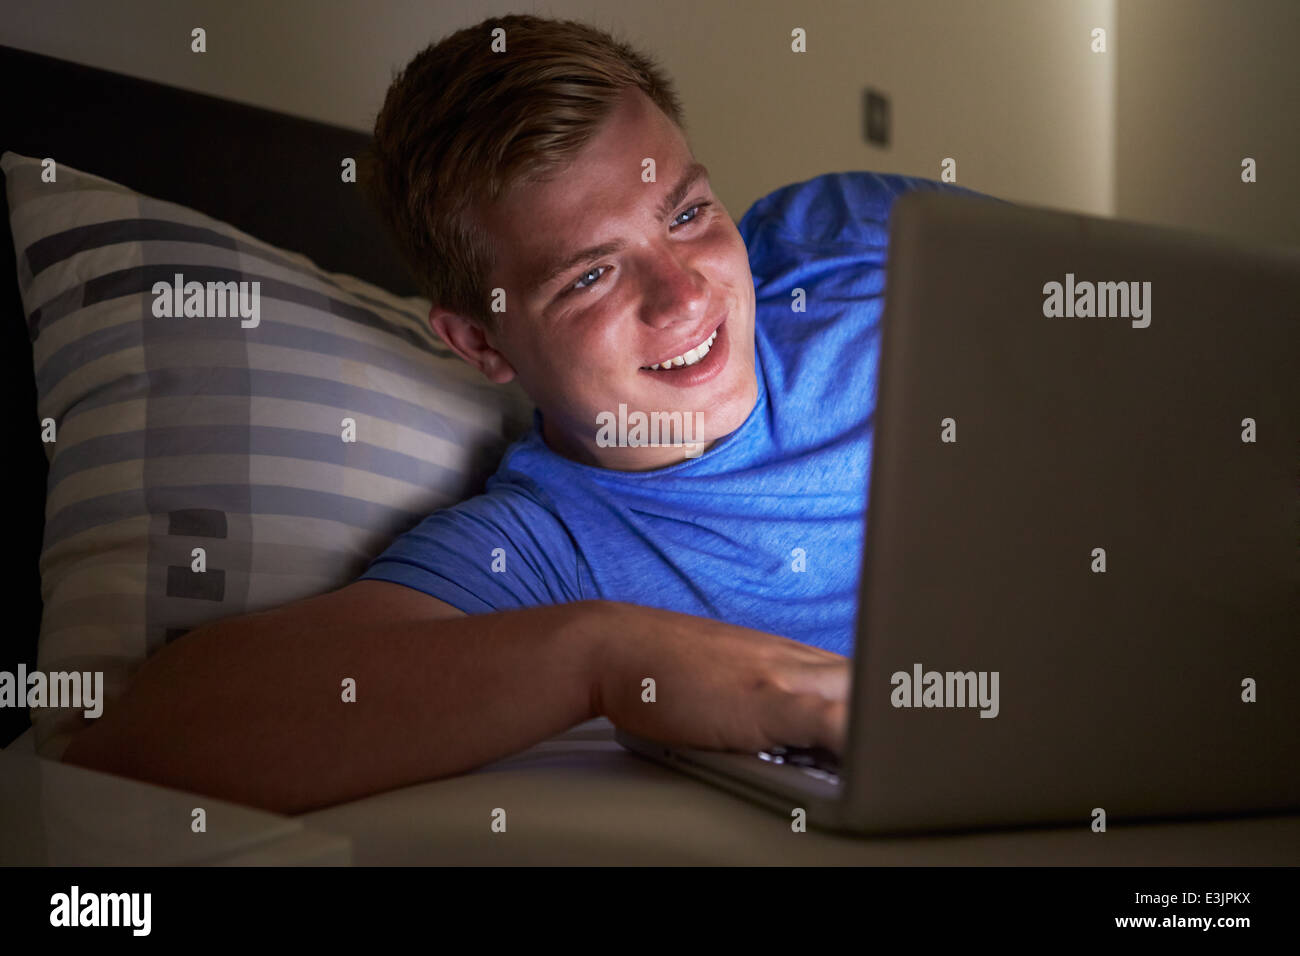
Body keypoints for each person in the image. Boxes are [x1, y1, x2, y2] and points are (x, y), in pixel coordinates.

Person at [63, 14, 971, 815]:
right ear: (483, 346)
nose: (684, 294)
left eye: (687, 212)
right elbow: (142, 739)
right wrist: (604, 657)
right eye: (589, 275)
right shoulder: (536, 552)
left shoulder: (856, 234)